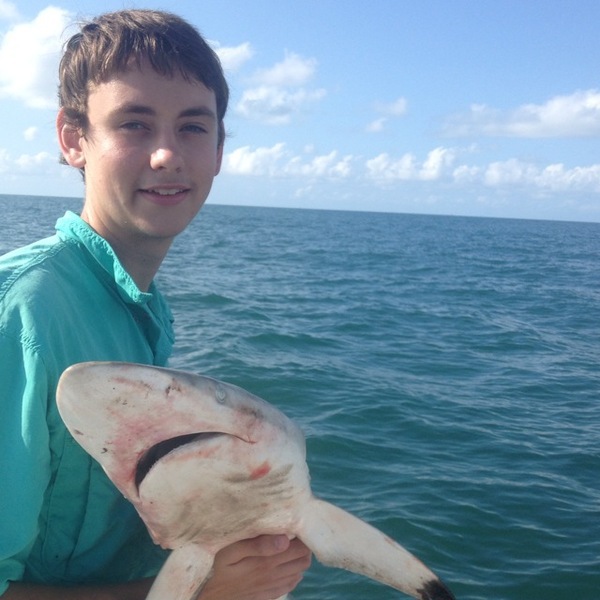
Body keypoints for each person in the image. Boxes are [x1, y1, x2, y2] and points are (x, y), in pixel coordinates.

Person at [0, 9, 311, 600]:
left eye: (192, 127)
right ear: (73, 139)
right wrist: (201, 591)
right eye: (134, 124)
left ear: (219, 149)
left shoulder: (138, 306)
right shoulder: (23, 312)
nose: (167, 154)